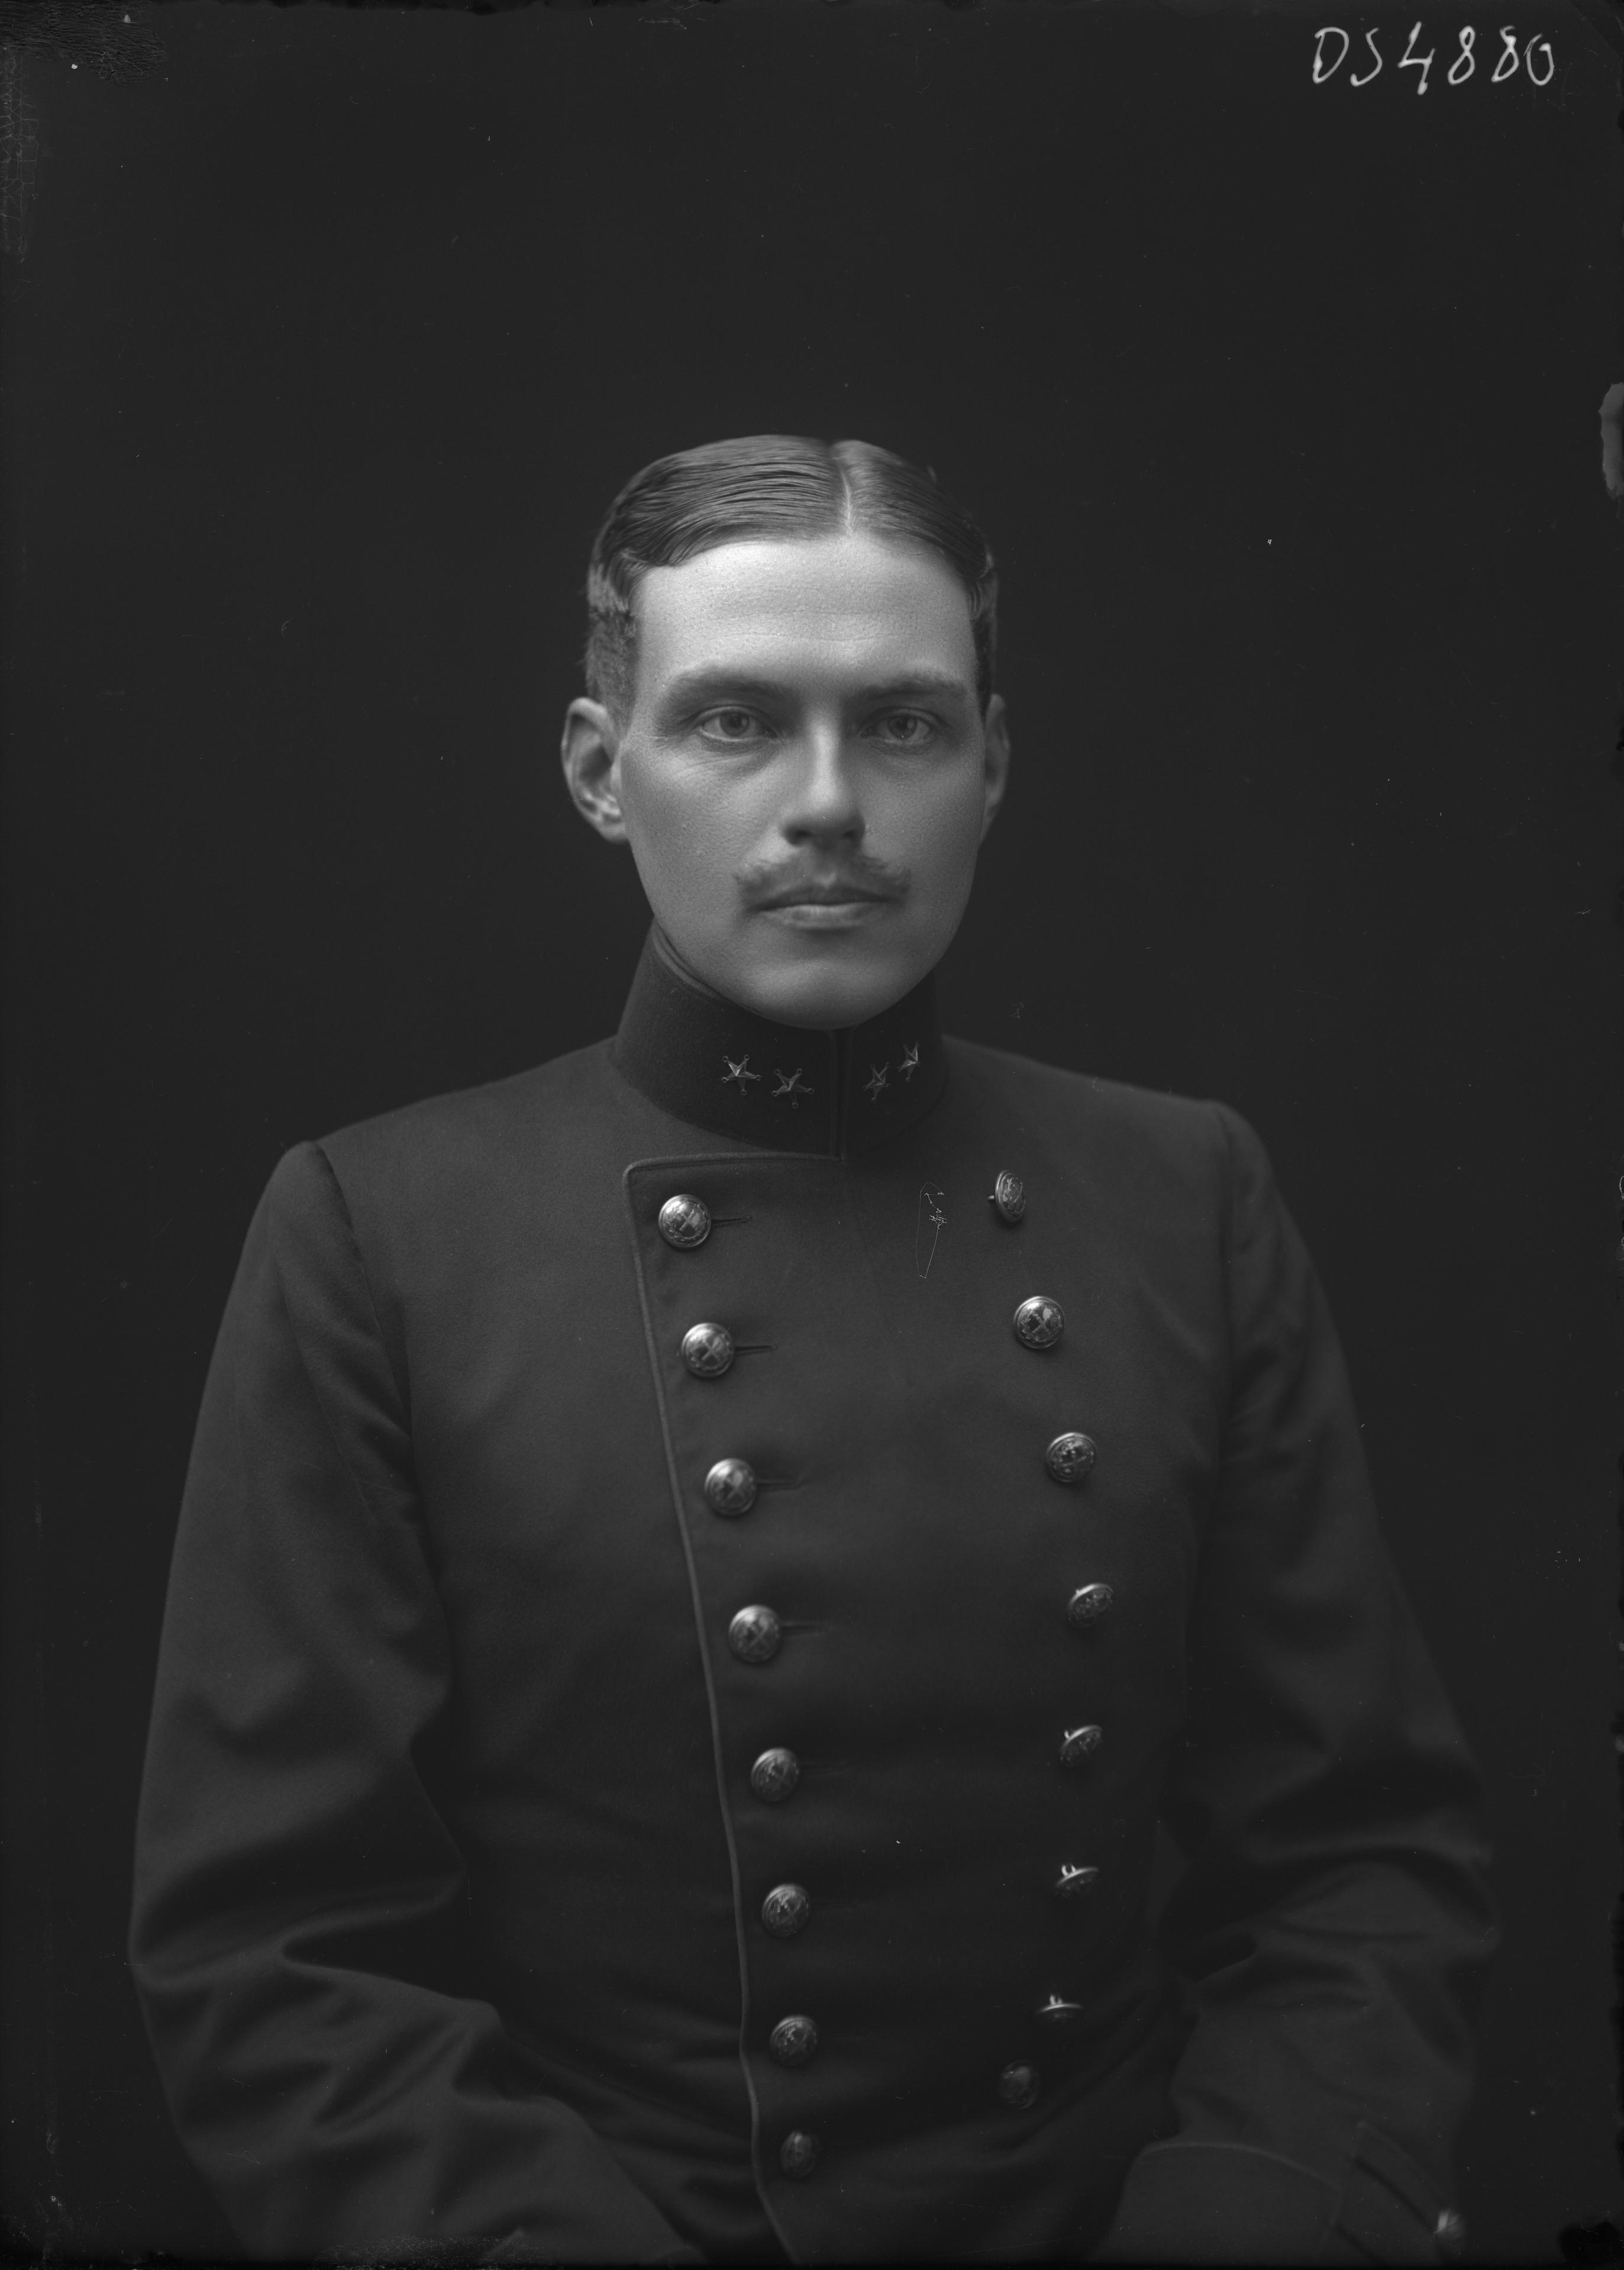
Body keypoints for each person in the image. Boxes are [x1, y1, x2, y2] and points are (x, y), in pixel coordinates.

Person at [130, 435, 1495, 2265]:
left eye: (903, 723)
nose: (830, 804)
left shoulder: (1183, 1193)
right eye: (736, 722)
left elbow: (1356, 1862)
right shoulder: (376, 1233)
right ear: (598, 771)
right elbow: (277, 1953)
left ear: (991, 763)